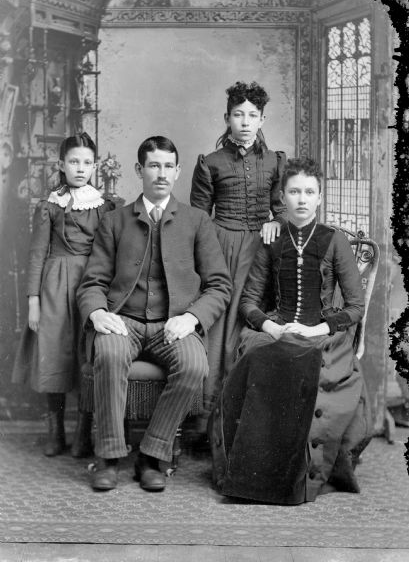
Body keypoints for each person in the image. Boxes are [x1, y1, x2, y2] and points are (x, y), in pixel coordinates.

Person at [209, 157, 373, 504]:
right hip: (277, 327)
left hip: (322, 334)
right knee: (259, 356)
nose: (301, 199)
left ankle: (294, 477)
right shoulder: (272, 240)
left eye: (309, 192)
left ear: (319, 197)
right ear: (282, 196)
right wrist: (273, 327)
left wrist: (316, 330)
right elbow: (250, 301)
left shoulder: (334, 241)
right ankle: (258, 474)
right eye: (294, 191)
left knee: (302, 360)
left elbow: (355, 307)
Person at [76, 136, 232, 492]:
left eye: (168, 167)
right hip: (124, 321)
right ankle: (109, 456)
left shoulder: (197, 221)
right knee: (110, 352)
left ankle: (152, 455)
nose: (161, 174)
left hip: (174, 325)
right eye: (153, 166)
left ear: (177, 172)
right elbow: (92, 282)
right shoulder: (115, 221)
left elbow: (219, 285)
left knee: (194, 364)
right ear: (139, 170)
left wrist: (191, 318)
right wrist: (98, 313)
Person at [12, 132, 115, 457]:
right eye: (73, 162)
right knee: (53, 352)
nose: (80, 168)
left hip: (91, 285)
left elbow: (109, 252)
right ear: (61, 164)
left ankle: (84, 431)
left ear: (95, 165)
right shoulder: (49, 205)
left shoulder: (102, 205)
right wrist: (33, 301)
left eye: (86, 162)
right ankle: (55, 430)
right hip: (55, 286)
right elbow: (36, 254)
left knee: (88, 355)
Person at [190, 80, 286, 418]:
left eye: (252, 115)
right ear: (227, 117)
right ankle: (208, 415)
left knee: (253, 324)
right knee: (220, 329)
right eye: (238, 114)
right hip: (223, 249)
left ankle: (247, 415)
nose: (245, 122)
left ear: (263, 119)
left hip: (263, 248)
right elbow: (198, 218)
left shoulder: (275, 161)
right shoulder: (211, 162)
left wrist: (277, 220)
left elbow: (284, 207)